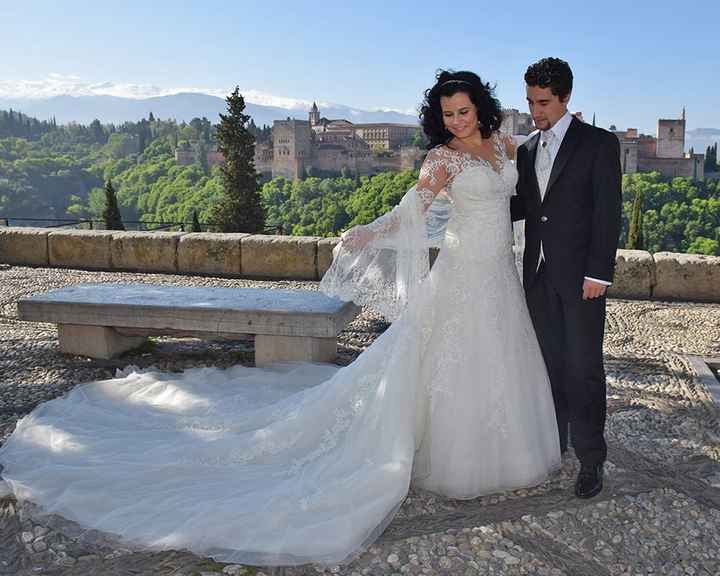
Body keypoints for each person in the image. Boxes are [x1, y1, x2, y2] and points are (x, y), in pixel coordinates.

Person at [0, 70, 560, 567]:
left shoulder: (508, 144)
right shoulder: (443, 158)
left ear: (481, 107)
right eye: (447, 114)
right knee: (445, 357)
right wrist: (369, 232)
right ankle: (451, 458)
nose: (457, 121)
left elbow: (529, 199)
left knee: (497, 355)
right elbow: (412, 210)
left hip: (501, 275)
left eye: (463, 111)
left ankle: (510, 451)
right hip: (461, 270)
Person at [511, 57, 622, 499]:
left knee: (584, 371)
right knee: (549, 369)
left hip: (582, 279)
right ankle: (552, 448)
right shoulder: (525, 151)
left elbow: (607, 210)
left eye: (543, 102)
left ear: (565, 98)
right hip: (536, 276)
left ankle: (591, 460)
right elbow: (526, 207)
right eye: (530, 101)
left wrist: (599, 272)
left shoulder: (598, 143)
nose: (535, 111)